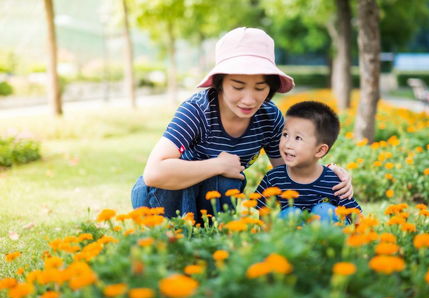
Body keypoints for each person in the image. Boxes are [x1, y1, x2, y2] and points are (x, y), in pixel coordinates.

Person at [131, 27, 353, 221]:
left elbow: (288, 173)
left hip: (209, 198)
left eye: (259, 88)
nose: (249, 100)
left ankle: (208, 233)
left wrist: (328, 174)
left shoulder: (268, 116)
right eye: (238, 87)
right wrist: (218, 165)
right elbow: (154, 172)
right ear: (220, 83)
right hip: (163, 196)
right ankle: (176, 235)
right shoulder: (198, 110)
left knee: (226, 182)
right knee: (219, 176)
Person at [255, 101, 362, 223]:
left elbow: (355, 215)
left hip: (327, 234)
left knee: (324, 210)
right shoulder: (273, 178)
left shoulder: (333, 181)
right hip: (291, 237)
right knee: (290, 214)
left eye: (298, 138)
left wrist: (362, 238)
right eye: (285, 134)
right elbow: (264, 216)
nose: (288, 144)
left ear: (320, 150)